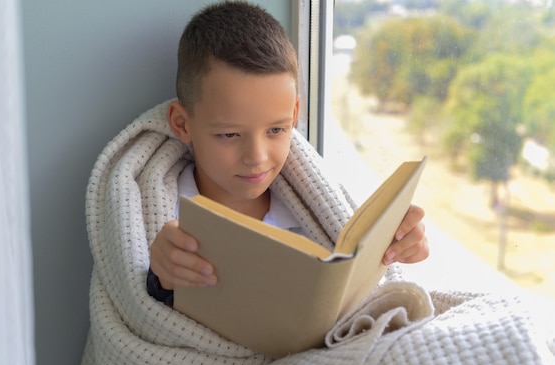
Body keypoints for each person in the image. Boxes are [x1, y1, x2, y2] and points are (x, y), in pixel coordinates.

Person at [146, 0, 429, 306]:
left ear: (294, 114)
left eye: (276, 130)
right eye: (229, 134)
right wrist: (160, 280)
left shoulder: (312, 215)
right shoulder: (165, 222)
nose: (257, 157)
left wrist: (397, 245)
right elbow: (139, 311)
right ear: (181, 123)